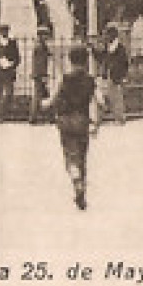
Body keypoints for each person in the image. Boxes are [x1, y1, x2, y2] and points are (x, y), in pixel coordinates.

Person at [43, 45, 99, 210]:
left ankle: (76, 180)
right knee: (82, 157)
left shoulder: (65, 79)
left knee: (70, 156)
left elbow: (51, 100)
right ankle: (82, 193)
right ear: (86, 60)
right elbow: (100, 101)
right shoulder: (90, 80)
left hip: (66, 122)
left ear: (70, 60)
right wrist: (96, 122)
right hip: (82, 121)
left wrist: (44, 104)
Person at [95, 24, 130, 125]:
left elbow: (124, 64)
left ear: (113, 35)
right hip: (105, 76)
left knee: (116, 99)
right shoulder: (108, 47)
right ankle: (98, 118)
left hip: (114, 77)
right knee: (100, 96)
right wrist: (93, 50)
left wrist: (123, 76)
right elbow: (101, 58)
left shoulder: (119, 48)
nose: (105, 37)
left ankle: (119, 119)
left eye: (107, 35)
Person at [0, 23, 20, 121]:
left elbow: (18, 58)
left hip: (9, 71)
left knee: (9, 93)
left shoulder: (12, 43)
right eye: (2, 31)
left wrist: (12, 64)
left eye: (6, 31)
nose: (4, 33)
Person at [28, 25, 53, 124]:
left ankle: (46, 116)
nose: (47, 37)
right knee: (38, 96)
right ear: (41, 35)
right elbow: (40, 62)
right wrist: (43, 75)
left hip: (39, 74)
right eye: (45, 35)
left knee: (43, 95)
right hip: (39, 74)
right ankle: (33, 117)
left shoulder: (41, 45)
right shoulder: (39, 46)